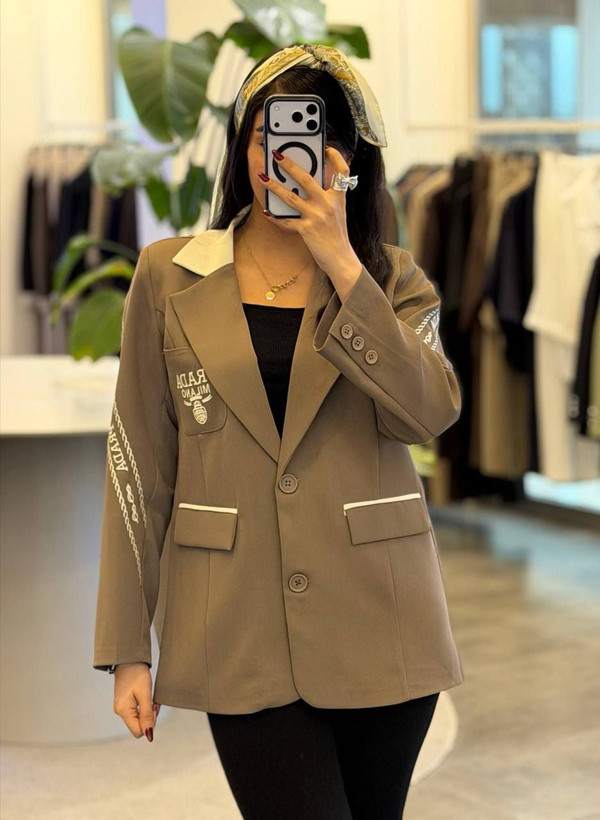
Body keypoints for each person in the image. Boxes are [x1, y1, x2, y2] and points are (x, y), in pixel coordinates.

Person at [93, 43, 464, 819]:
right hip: (236, 624)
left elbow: (429, 413)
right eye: (265, 137)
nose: (278, 160)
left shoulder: (390, 280)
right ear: (242, 148)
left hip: (383, 618)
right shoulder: (168, 276)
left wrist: (343, 267)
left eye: (303, 140)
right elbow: (138, 470)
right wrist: (128, 646)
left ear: (346, 162)